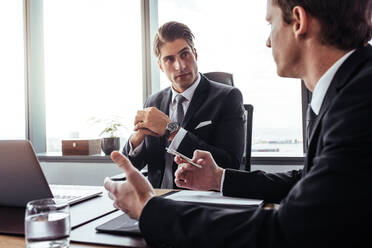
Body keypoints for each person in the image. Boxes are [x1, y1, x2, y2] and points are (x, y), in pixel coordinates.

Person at [104, 0, 372, 247]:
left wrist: (150, 210)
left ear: (299, 21)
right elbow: (305, 180)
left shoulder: (359, 102)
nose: (268, 41)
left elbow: (289, 232)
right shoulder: (347, 91)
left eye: (270, 23)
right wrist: (219, 177)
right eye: (169, 59)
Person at [122, 21, 245, 189]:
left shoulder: (228, 97)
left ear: (195, 53)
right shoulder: (153, 102)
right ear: (160, 66)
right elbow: (133, 166)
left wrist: (171, 129)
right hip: (156, 200)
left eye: (185, 54)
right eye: (169, 59)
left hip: (200, 202)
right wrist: (136, 140)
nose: (180, 66)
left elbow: (230, 164)